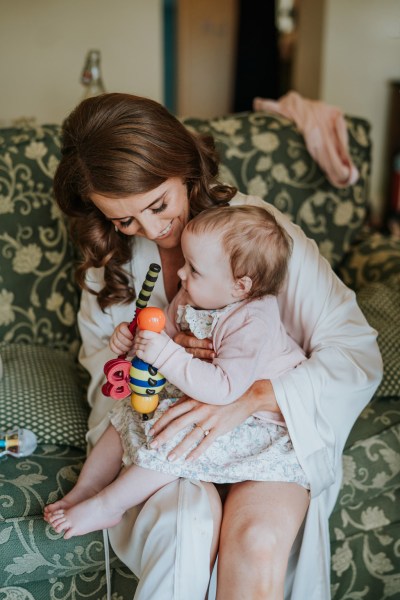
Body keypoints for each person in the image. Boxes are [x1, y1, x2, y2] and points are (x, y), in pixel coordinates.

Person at [46, 92, 382, 600]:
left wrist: (251, 397)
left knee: (258, 539)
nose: (155, 230)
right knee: (185, 525)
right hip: (162, 429)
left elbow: (356, 354)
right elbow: (106, 378)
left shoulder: (254, 236)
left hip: (267, 430)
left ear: (183, 168)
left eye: (159, 204)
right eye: (125, 220)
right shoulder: (111, 263)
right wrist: (142, 362)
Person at [44, 205, 309, 539]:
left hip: (253, 416)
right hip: (204, 392)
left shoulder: (254, 321)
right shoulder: (197, 294)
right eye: (184, 263)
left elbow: (224, 388)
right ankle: (88, 486)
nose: (181, 274)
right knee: (125, 410)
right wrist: (134, 338)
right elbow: (166, 332)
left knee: (173, 437)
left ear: (240, 287)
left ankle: (110, 505)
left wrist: (165, 352)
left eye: (194, 270)